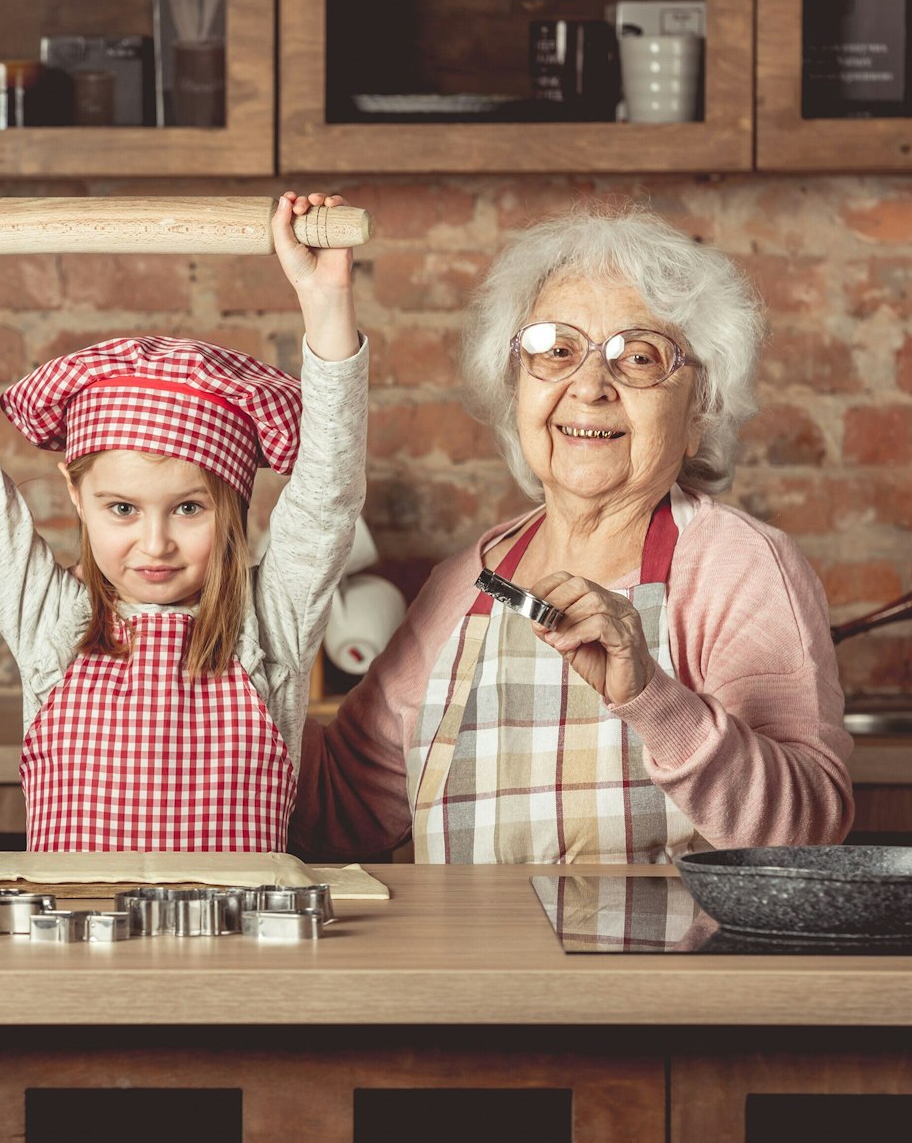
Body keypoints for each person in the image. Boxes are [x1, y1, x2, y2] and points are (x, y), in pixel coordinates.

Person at [292, 203, 853, 864]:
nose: (589, 385)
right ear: (516, 388)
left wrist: (652, 698)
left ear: (699, 409)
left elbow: (808, 834)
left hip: (670, 966)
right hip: (473, 969)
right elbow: (339, 813)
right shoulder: (464, 585)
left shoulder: (735, 566)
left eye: (639, 357)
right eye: (555, 350)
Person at [0, 185, 367, 852]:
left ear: (233, 505)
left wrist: (326, 299)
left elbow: (329, 490)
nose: (155, 542)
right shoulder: (50, 622)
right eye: (122, 508)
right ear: (75, 493)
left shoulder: (270, 624)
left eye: (188, 508)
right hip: (75, 956)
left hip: (240, 957)